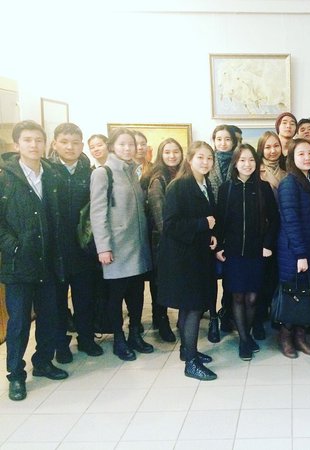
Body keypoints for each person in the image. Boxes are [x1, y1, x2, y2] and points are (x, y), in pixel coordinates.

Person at [0, 120, 68, 401]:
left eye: (38, 140)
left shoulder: (52, 174)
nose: (34, 145)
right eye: (27, 140)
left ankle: (43, 362)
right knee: (18, 323)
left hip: (48, 260)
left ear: (45, 143)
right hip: (19, 264)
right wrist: (14, 247)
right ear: (17, 144)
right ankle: (16, 375)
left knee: (49, 316)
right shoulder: (5, 177)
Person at [90, 128, 153, 361]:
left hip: (137, 246)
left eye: (131, 144)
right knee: (115, 297)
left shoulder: (132, 172)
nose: (128, 148)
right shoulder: (103, 173)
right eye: (122, 144)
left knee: (136, 294)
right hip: (116, 248)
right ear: (112, 147)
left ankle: (135, 334)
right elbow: (98, 213)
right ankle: (119, 339)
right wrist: (103, 247)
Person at [157, 141, 218, 381]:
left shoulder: (204, 184)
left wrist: (211, 235)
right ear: (190, 159)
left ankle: (187, 350)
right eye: (200, 157)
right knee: (192, 307)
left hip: (197, 254)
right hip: (182, 258)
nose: (205, 162)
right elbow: (170, 224)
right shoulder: (179, 186)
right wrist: (203, 224)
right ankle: (191, 363)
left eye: (209, 158)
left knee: (192, 306)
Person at [216, 144, 279, 360]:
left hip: (257, 252)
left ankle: (247, 333)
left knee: (252, 298)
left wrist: (268, 245)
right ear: (235, 163)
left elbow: (274, 220)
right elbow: (219, 222)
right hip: (233, 253)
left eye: (251, 160)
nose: (247, 164)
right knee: (237, 296)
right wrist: (219, 247)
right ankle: (244, 340)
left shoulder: (263, 188)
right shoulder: (226, 189)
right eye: (242, 160)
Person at [49, 123, 104, 363]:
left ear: (82, 145)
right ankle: (61, 344)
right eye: (64, 142)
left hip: (84, 247)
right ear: (55, 144)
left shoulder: (90, 173)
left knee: (85, 297)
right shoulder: (47, 172)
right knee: (57, 301)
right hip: (56, 249)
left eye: (75, 143)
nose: (69, 147)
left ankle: (86, 339)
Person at [277, 138, 310, 358]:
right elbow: (290, 221)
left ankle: (301, 338)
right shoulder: (289, 183)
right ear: (292, 157)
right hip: (294, 251)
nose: (307, 157)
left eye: (309, 153)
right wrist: (300, 254)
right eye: (301, 154)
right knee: (292, 294)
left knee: (305, 294)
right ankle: (285, 338)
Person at [146, 138, 184, 342]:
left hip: (179, 238)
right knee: (160, 283)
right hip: (163, 240)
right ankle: (161, 319)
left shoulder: (182, 174)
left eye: (175, 151)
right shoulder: (158, 179)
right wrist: (174, 240)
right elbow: (160, 216)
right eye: (167, 152)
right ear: (161, 154)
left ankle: (180, 319)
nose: (172, 156)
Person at [208, 124, 239, 342]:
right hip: (209, 227)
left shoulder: (238, 162)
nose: (223, 143)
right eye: (219, 139)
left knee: (230, 276)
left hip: (231, 227)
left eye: (227, 139)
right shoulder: (207, 163)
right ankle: (212, 317)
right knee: (209, 278)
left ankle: (227, 312)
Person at [254, 131, 287, 339]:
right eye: (267, 147)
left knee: (276, 276)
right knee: (260, 277)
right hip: (260, 232)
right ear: (261, 149)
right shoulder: (255, 170)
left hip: (282, 231)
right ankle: (258, 318)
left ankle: (277, 314)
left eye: (276, 146)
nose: (272, 150)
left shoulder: (287, 171)